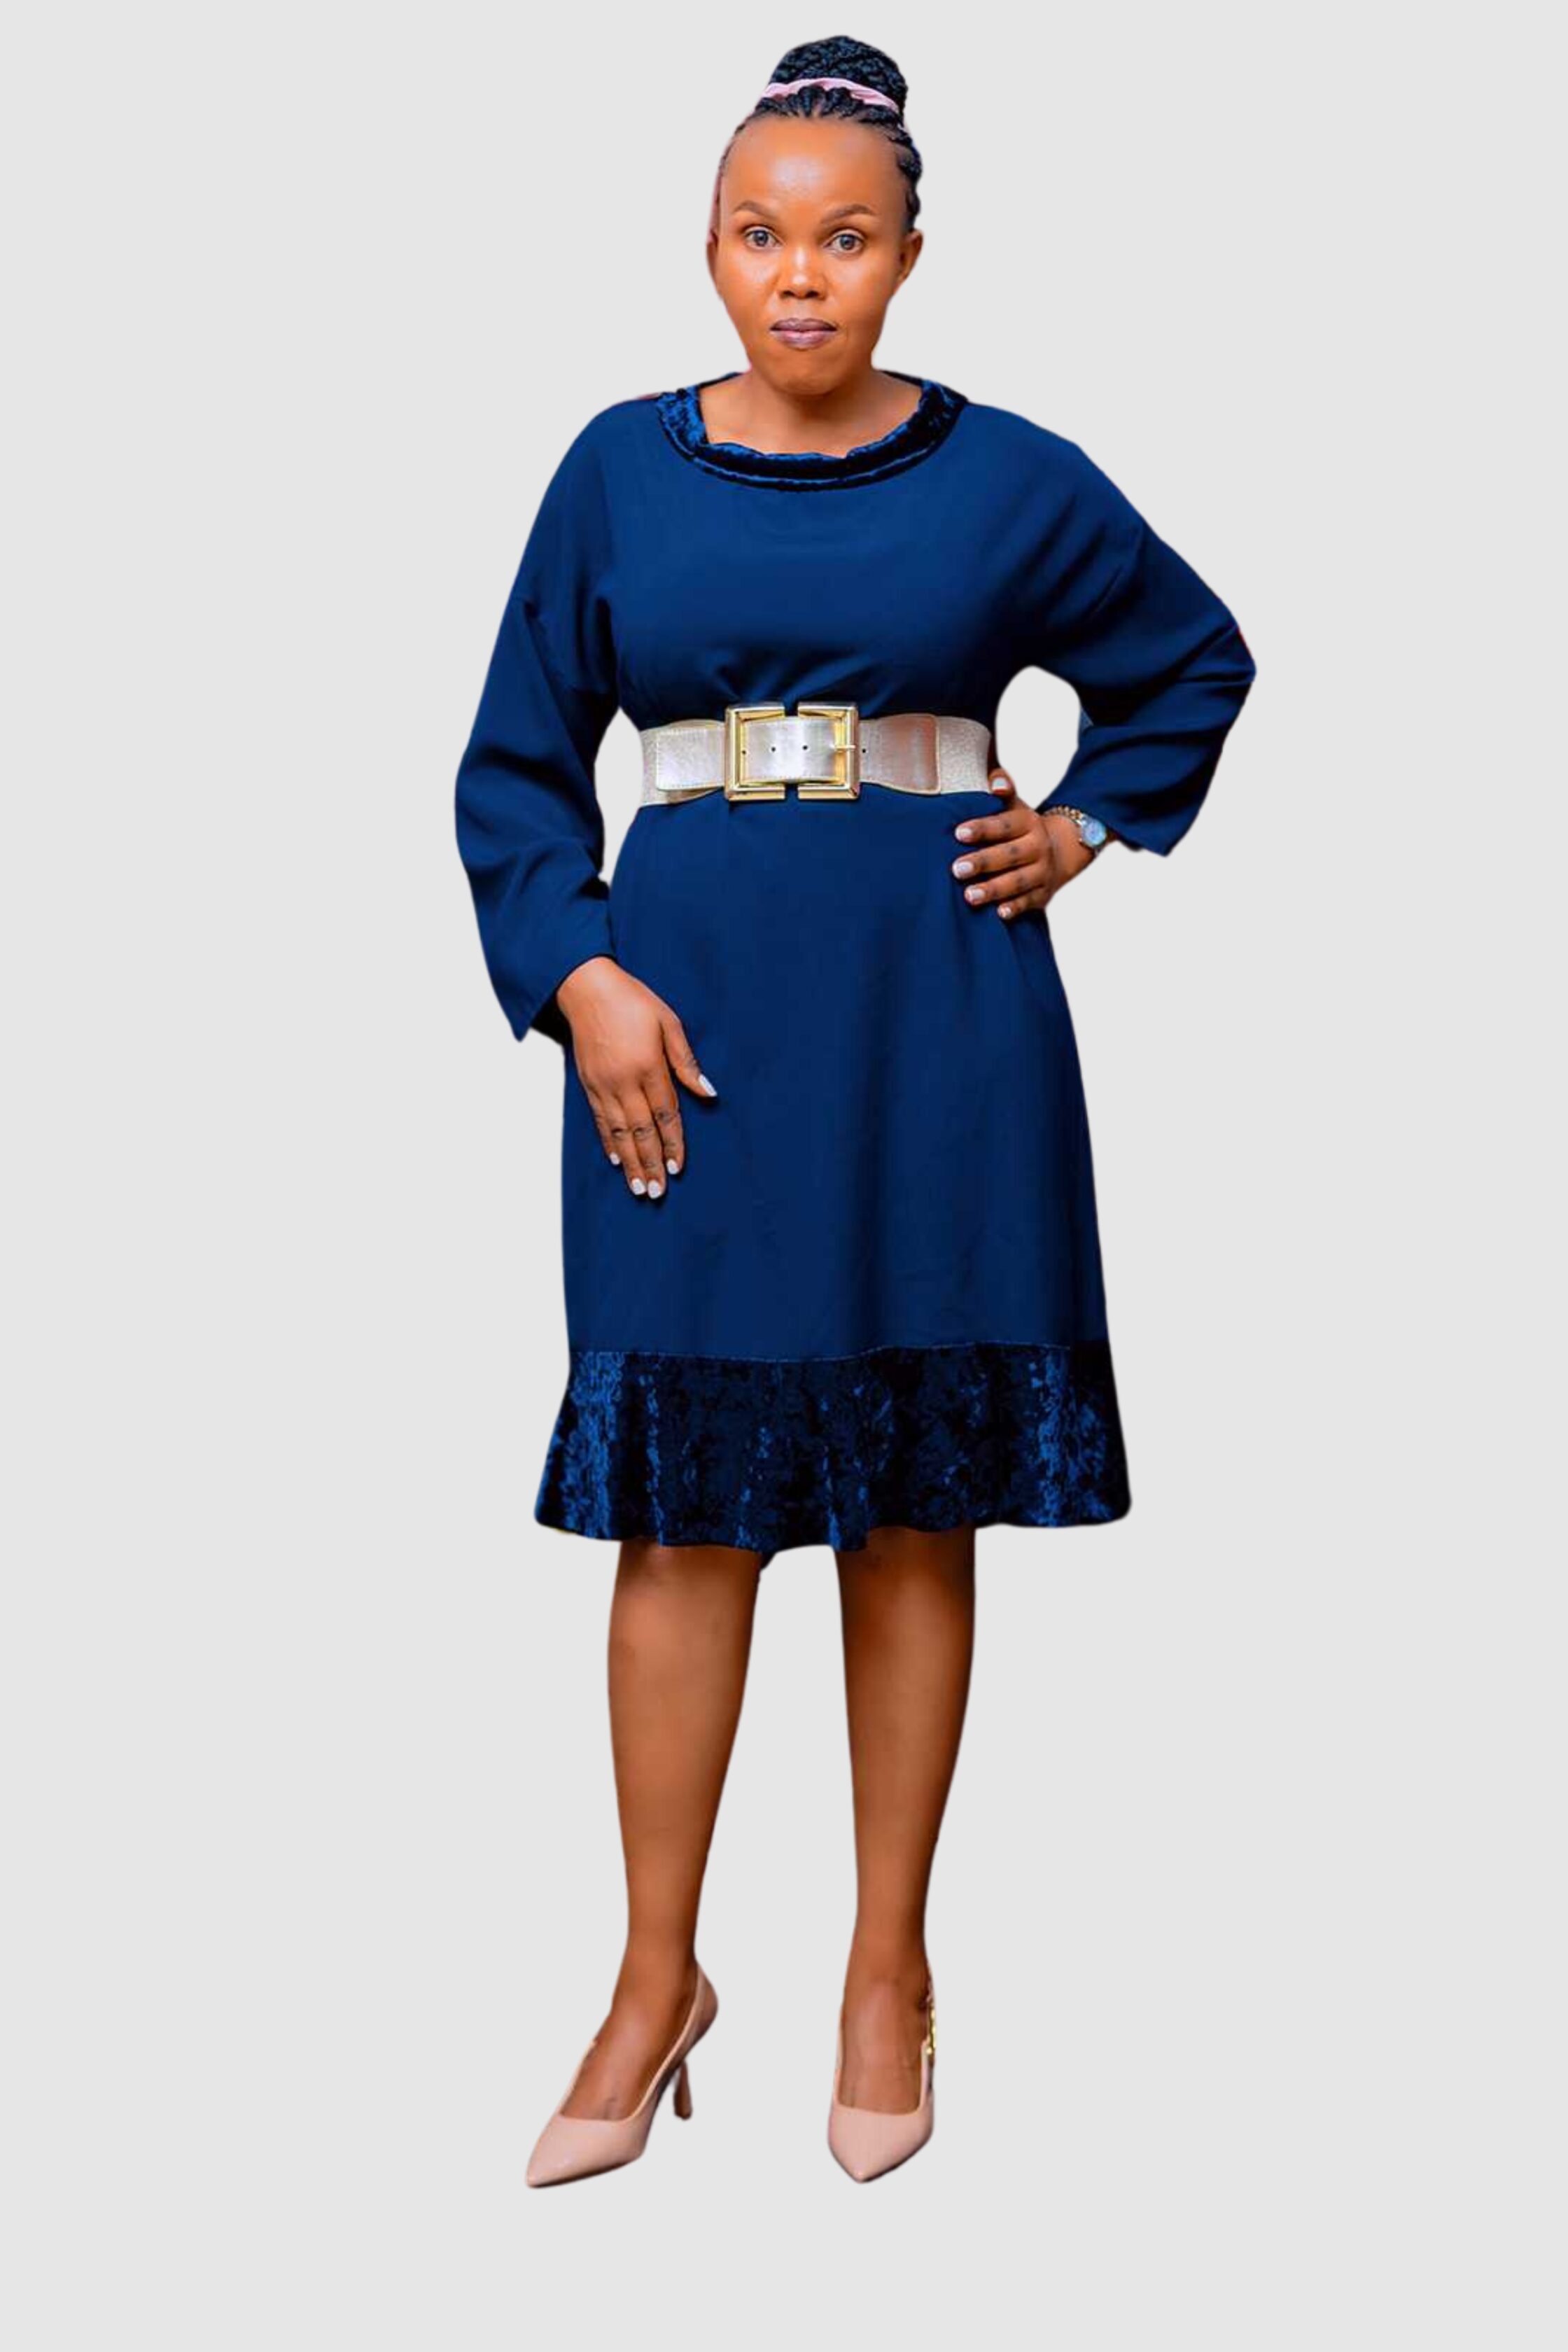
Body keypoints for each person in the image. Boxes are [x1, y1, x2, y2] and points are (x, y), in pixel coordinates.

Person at [453, 35, 1256, 2187]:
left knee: (913, 1497)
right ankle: (653, 1979)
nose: (797, 273)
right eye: (758, 234)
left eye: (842, 237)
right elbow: (514, 763)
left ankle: (888, 1968)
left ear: (907, 255)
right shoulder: (614, 473)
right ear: (709, 249)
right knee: (681, 1505)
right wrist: (579, 976)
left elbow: (1192, 656)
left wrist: (1086, 823)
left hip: (935, 1019)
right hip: (686, 1022)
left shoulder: (1012, 480)